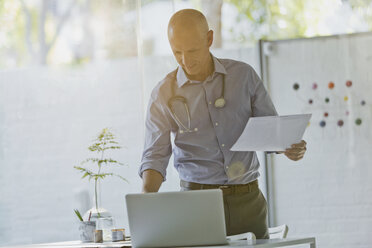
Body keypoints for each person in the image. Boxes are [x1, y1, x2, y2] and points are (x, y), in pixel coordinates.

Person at [139, 9, 307, 239]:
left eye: (192, 50)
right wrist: (145, 205)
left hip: (248, 200)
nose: (185, 61)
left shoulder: (243, 75)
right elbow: (155, 155)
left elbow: (270, 131)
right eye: (177, 52)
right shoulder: (163, 92)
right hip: (196, 204)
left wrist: (288, 147)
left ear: (209, 39)